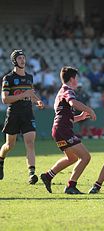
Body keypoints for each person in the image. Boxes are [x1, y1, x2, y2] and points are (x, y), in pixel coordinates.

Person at [40, 66, 96, 194]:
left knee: (72, 158)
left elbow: (65, 116)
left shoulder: (60, 92)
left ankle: (48, 176)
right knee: (85, 157)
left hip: (59, 129)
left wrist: (80, 117)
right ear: (72, 79)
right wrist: (89, 110)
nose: (78, 81)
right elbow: (73, 103)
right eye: (77, 78)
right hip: (63, 130)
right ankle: (71, 186)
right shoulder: (67, 90)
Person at [0, 49, 44, 184]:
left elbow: (30, 93)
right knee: (10, 145)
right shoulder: (8, 78)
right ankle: (1, 161)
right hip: (13, 113)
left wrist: (37, 100)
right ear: (14, 61)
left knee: (30, 142)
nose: (22, 60)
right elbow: (5, 99)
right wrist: (23, 95)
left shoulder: (29, 77)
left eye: (23, 58)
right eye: (19, 58)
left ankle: (31, 173)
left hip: (27, 113)